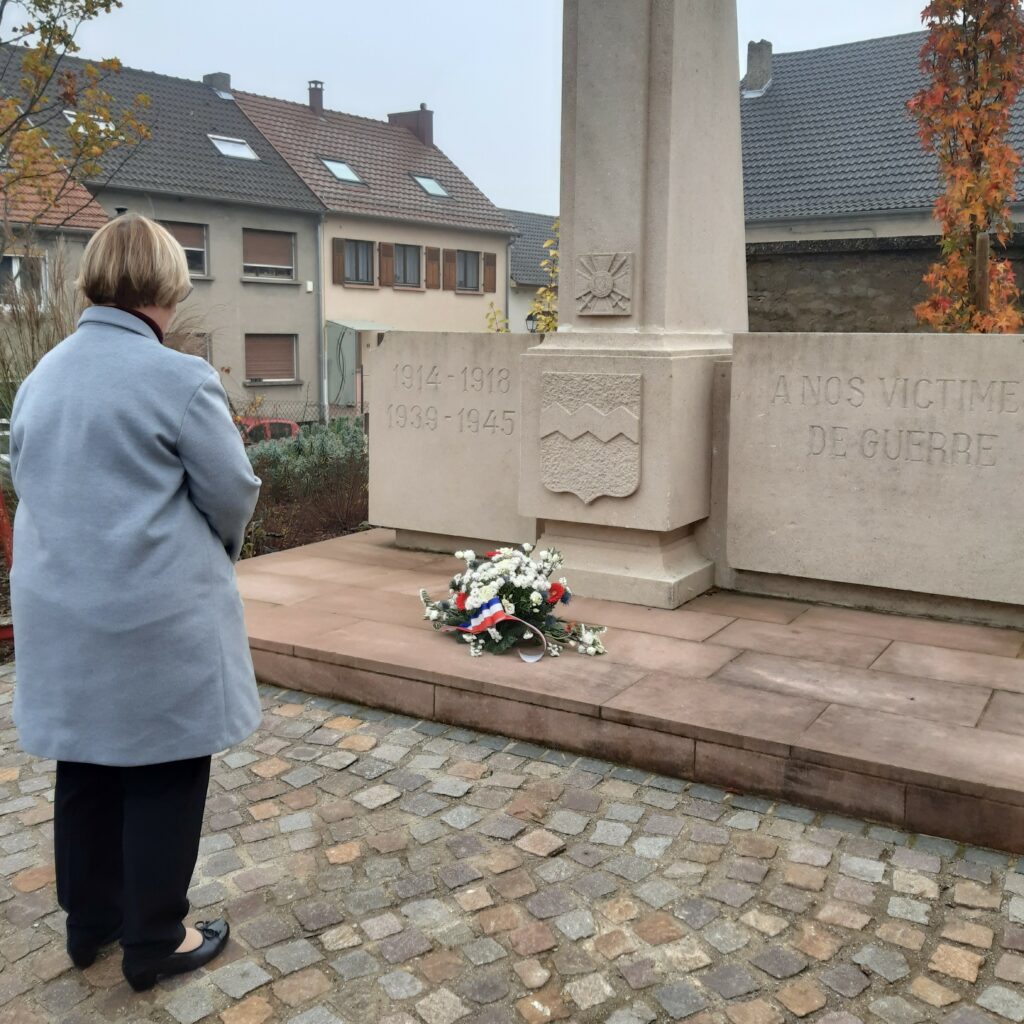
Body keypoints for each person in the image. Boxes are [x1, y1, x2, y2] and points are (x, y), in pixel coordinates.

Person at [8, 213, 262, 991]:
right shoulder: (178, 378)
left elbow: (28, 481)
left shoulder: (42, 375)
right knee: (166, 767)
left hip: (60, 608)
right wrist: (216, 554)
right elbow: (231, 491)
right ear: (168, 286)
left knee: (85, 763)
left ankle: (91, 925)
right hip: (154, 613)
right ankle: (155, 938)